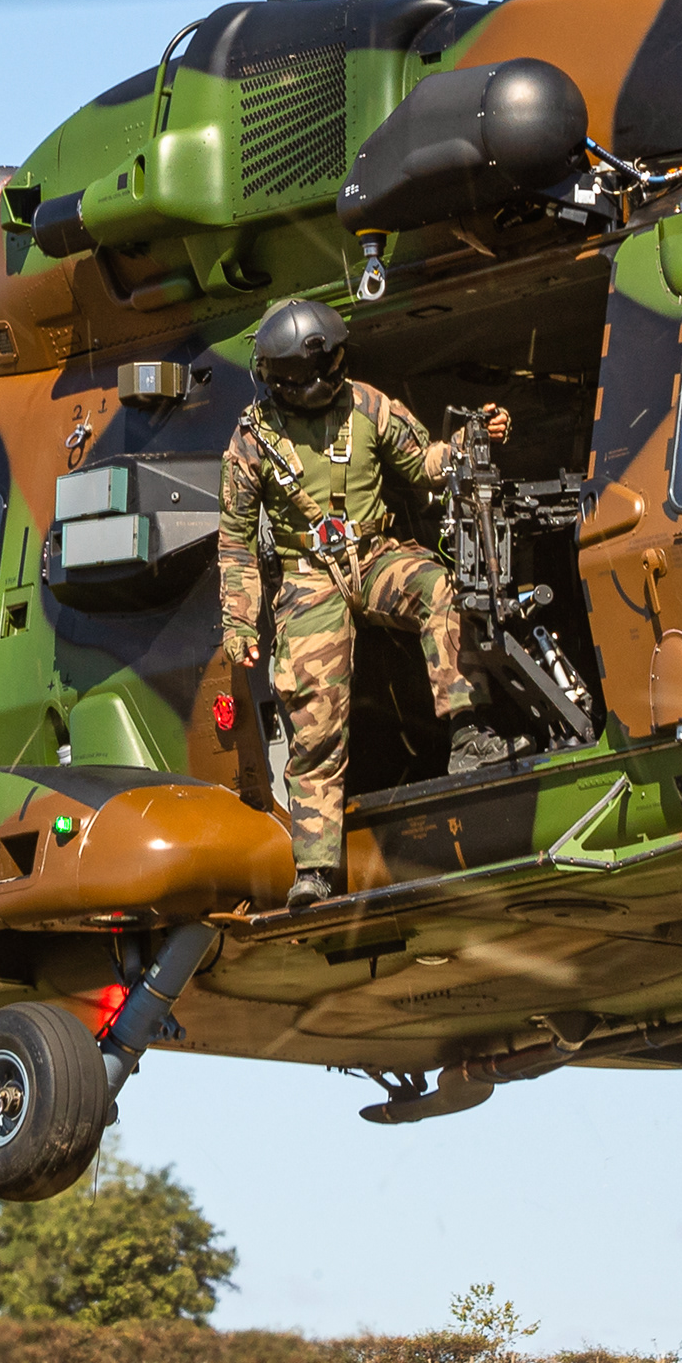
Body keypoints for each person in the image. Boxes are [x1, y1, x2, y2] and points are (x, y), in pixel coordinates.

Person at [218, 298, 513, 909]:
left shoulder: (368, 405)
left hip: (375, 556)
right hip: (307, 577)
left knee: (441, 590)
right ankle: (315, 868)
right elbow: (237, 542)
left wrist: (470, 441)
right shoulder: (251, 441)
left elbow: (426, 464)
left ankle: (469, 736)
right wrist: (239, 622)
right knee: (314, 713)